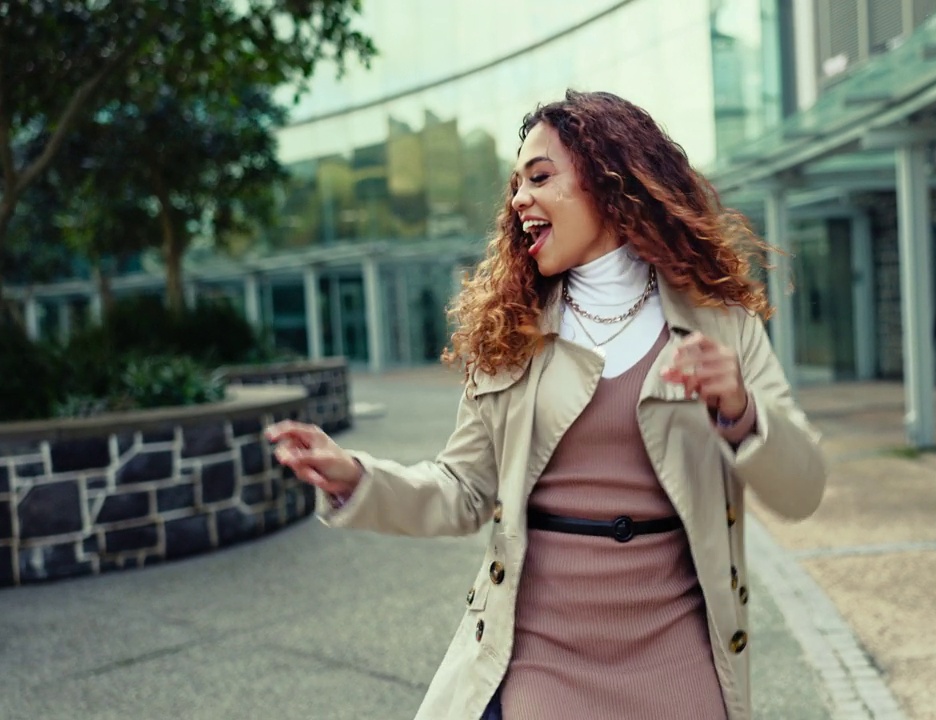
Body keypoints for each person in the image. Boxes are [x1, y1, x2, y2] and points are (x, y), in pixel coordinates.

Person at [267, 90, 827, 720]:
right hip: (540, 654)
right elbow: (464, 489)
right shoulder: (512, 333)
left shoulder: (725, 327)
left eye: (539, 177)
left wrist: (741, 411)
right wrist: (359, 479)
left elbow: (803, 489)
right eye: (516, 185)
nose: (518, 200)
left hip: (678, 654)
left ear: (610, 179)